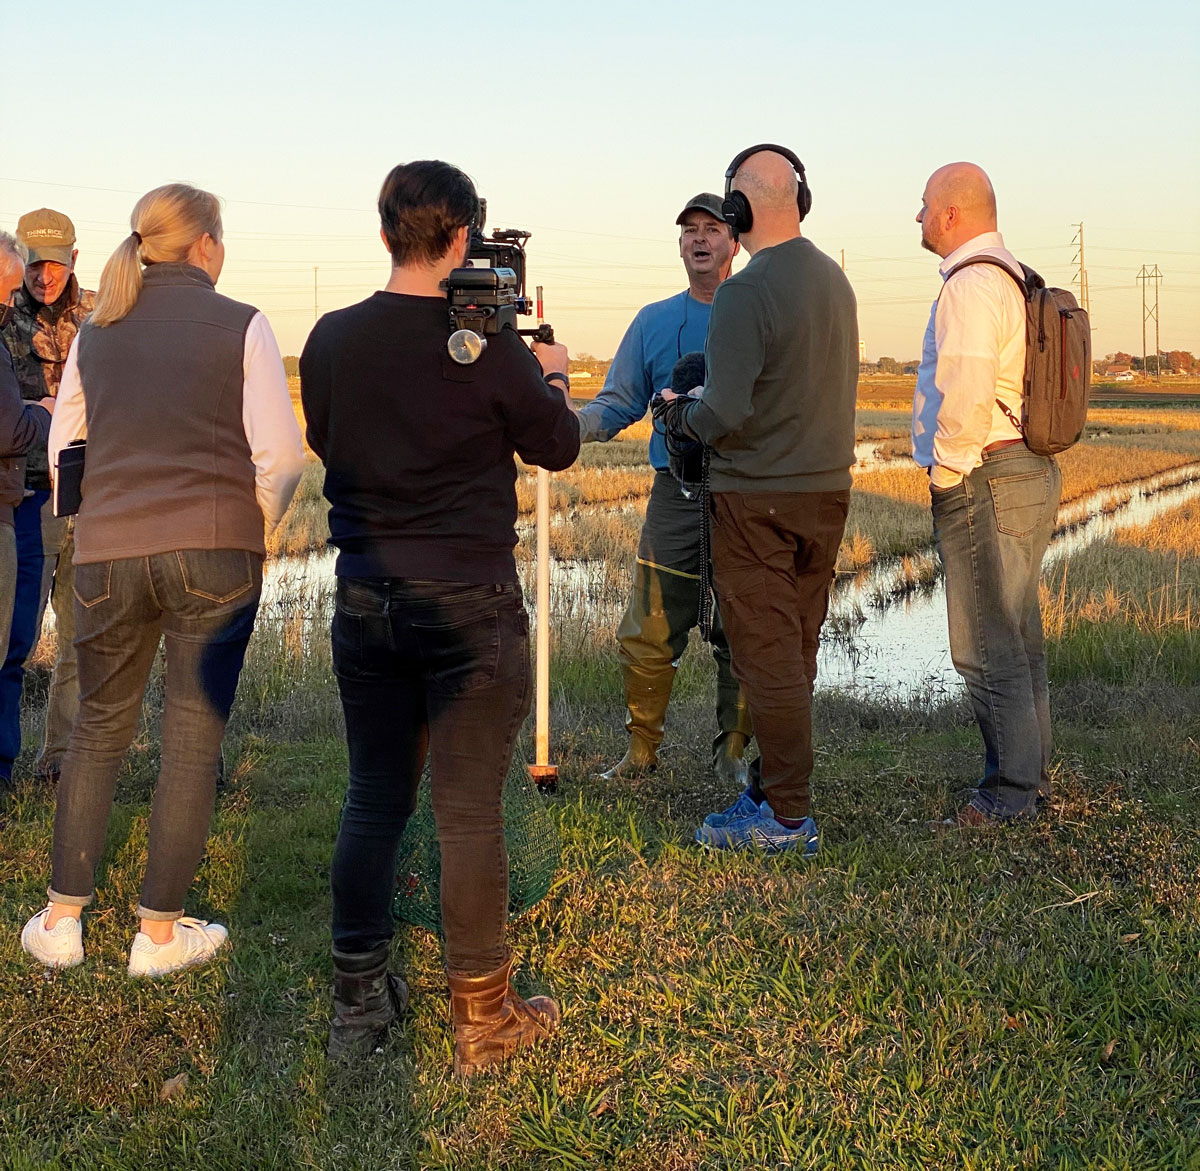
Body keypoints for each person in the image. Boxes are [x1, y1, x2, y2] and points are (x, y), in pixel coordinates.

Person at [300, 160, 580, 1072]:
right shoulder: (487, 344)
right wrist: (555, 377)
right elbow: (557, 444)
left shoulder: (333, 338)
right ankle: (484, 1023)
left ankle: (358, 1007)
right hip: (469, 606)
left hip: (366, 597)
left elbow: (327, 437)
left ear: (385, 233)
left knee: (374, 797)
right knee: (467, 815)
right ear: (463, 238)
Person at [20, 183, 305, 976]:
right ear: (206, 243)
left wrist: (94, 520)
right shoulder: (242, 323)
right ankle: (158, 935)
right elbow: (281, 458)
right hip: (214, 552)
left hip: (108, 550)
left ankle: (63, 919)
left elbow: (63, 448)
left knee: (100, 727)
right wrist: (255, 526)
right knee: (189, 736)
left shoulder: (97, 331)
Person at [662, 146, 858, 854]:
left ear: (738, 208)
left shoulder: (746, 291)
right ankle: (772, 788)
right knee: (795, 648)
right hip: (825, 494)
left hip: (757, 500)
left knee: (767, 658)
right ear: (800, 199)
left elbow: (724, 414)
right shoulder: (835, 279)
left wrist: (677, 413)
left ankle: (786, 818)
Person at [576, 194, 752, 784]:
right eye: (689, 232)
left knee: (745, 624)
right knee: (648, 624)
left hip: (746, 495)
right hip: (675, 493)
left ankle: (732, 751)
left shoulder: (762, 309)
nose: (700, 239)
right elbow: (616, 401)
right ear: (680, 246)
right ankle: (641, 751)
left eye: (712, 229)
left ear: (734, 241)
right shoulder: (652, 322)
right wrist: (562, 428)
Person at [913, 162, 1061, 825]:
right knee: (1019, 637)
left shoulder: (971, 286)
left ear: (950, 215)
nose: (916, 219)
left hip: (986, 476)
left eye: (922, 207)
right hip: (1026, 470)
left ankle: (1006, 794)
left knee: (982, 645)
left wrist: (946, 479)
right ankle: (1031, 777)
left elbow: (965, 396)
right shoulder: (1014, 276)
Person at [0, 208, 94, 786]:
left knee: (83, 637)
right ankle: (5, 765)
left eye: (55, 262)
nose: (45, 275)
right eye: (35, 264)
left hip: (91, 494)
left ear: (74, 259)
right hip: (30, 499)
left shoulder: (105, 317)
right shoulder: (3, 318)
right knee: (15, 636)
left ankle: (60, 760)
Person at [0, 232, 55, 791]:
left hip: (49, 501)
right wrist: (41, 413)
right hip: (18, 499)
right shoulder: (2, 334)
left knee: (15, 644)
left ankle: (13, 765)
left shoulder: (94, 316)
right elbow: (10, 429)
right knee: (8, 638)